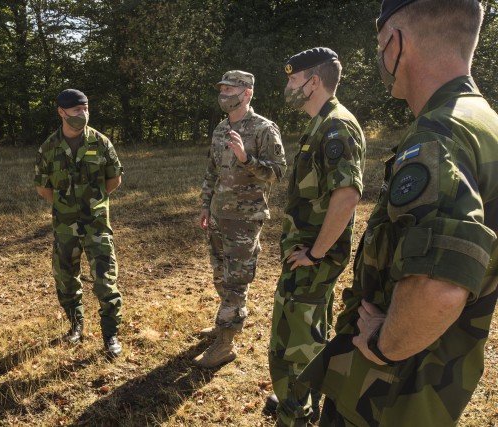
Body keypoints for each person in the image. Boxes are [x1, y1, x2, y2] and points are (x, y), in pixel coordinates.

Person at [297, 1, 498, 425]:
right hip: (436, 384)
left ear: (396, 44)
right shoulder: (484, 123)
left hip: (387, 393)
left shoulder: (438, 136)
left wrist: (383, 344)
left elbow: (439, 288)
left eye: (379, 45)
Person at [266, 48, 366, 425]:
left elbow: (348, 195)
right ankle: (299, 401)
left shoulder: (336, 126)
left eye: (294, 80)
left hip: (312, 259)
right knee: (306, 332)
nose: (288, 87)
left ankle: (295, 413)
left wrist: (317, 253)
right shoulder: (320, 123)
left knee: (292, 343)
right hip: (306, 254)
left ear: (314, 81)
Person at [195, 70, 287, 368]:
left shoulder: (263, 129)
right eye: (221, 89)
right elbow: (212, 170)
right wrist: (206, 205)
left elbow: (277, 172)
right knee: (221, 275)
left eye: (230, 89)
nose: (224, 94)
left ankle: (225, 343)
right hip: (219, 215)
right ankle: (226, 322)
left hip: (245, 220)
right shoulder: (221, 128)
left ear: (246, 93)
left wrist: (247, 159)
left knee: (236, 281)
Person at [35, 89, 124, 358]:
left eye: (85, 109)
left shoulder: (100, 142)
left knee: (105, 280)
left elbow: (114, 179)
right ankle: (76, 324)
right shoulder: (49, 148)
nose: (82, 115)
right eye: (76, 111)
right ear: (61, 112)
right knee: (65, 278)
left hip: (96, 223)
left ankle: (110, 334)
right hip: (64, 225)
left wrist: (93, 202)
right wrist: (68, 206)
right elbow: (44, 188)